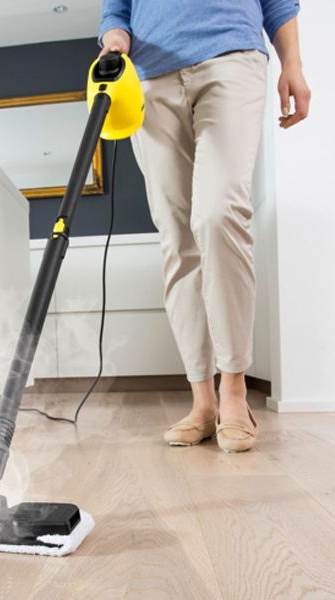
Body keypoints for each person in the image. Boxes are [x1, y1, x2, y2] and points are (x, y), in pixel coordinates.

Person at [98, 0, 310, 452]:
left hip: (230, 54)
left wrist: (292, 62)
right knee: (177, 235)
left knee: (218, 214)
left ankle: (234, 391)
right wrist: (114, 40)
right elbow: (116, 10)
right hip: (150, 76)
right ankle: (202, 401)